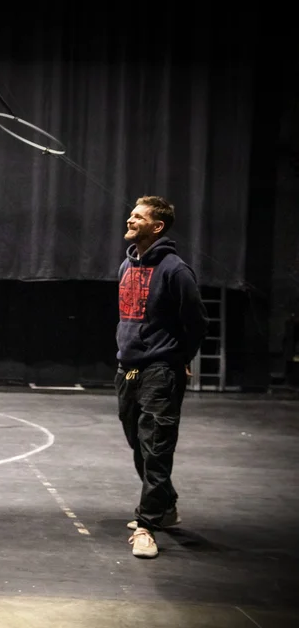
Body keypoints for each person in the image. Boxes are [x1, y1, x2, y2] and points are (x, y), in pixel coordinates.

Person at [115, 196, 208, 558]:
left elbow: (197, 321)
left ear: (157, 227)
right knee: (138, 443)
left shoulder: (175, 270)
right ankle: (165, 506)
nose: (130, 219)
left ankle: (147, 526)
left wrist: (181, 357)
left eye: (138, 217)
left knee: (156, 448)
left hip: (160, 370)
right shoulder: (126, 265)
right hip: (128, 368)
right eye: (131, 214)